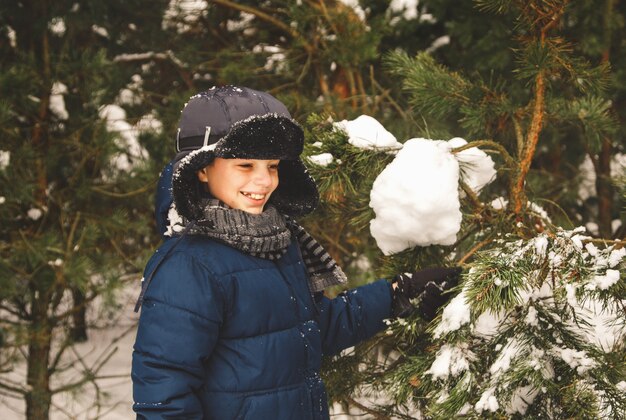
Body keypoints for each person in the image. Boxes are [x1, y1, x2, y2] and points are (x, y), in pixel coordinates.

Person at [131, 85, 460, 419]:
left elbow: (311, 330)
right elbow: (163, 396)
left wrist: (396, 294)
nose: (263, 180)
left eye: (272, 166)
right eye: (245, 165)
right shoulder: (189, 267)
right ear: (201, 168)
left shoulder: (278, 243)